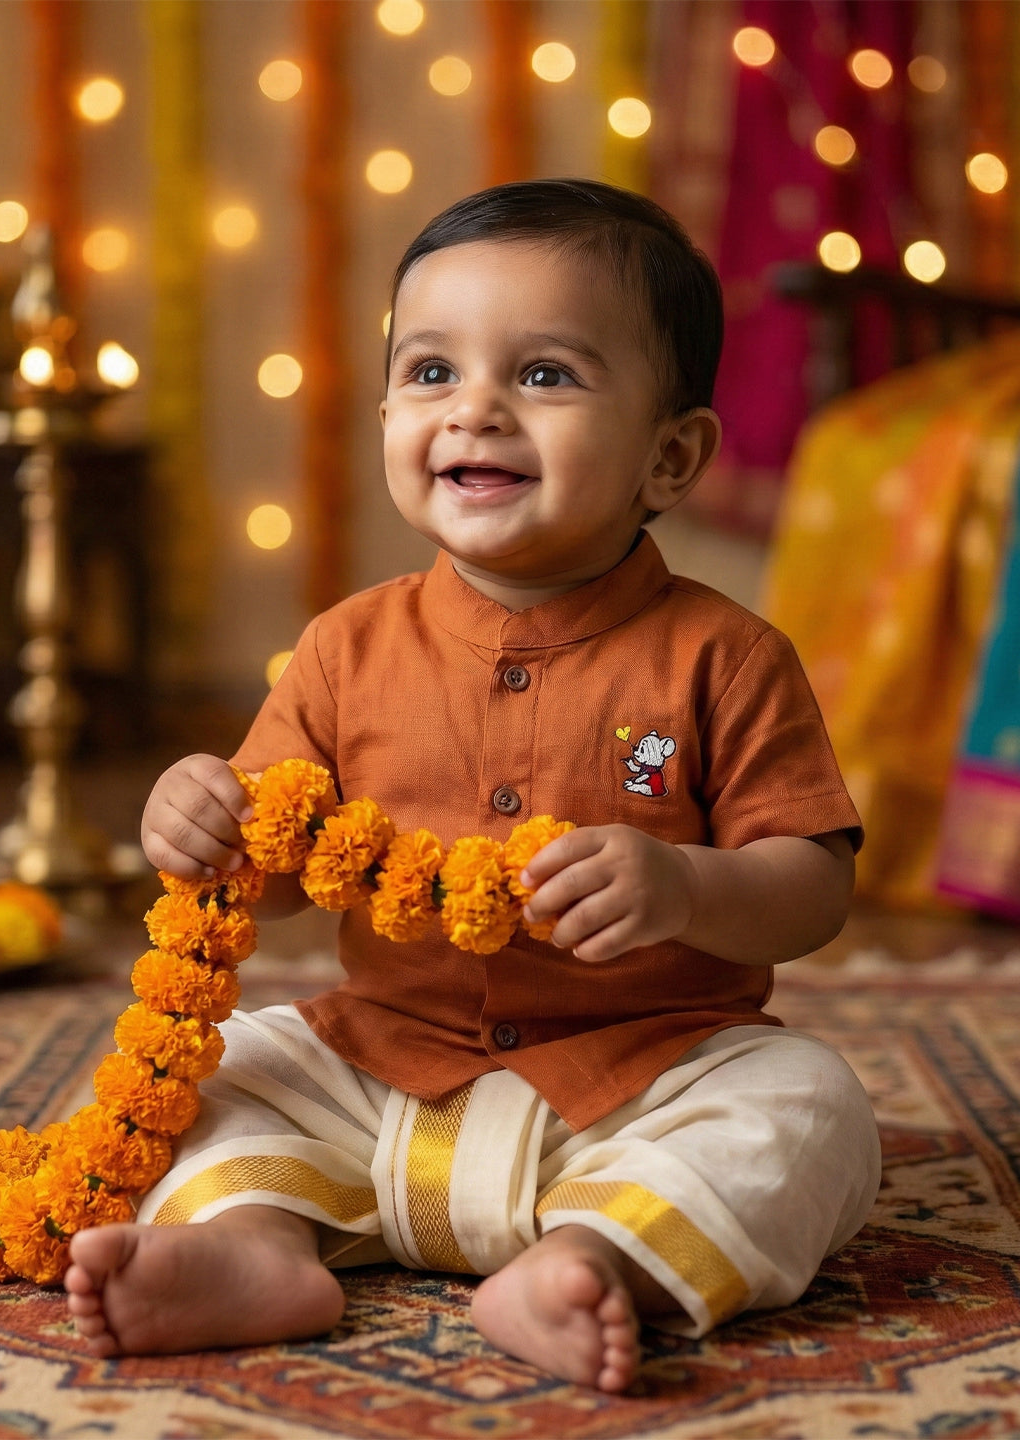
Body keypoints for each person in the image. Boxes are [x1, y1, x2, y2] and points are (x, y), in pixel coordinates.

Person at [64, 178, 880, 1393]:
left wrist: (685, 888)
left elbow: (812, 888)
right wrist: (199, 820)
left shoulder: (728, 656)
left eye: (545, 374)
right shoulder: (345, 648)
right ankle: (253, 1248)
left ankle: (596, 1260)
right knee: (214, 1070)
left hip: (638, 1081)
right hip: (377, 1069)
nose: (476, 410)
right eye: (432, 371)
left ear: (671, 456)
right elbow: (267, 874)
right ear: (391, 412)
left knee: (811, 1106)